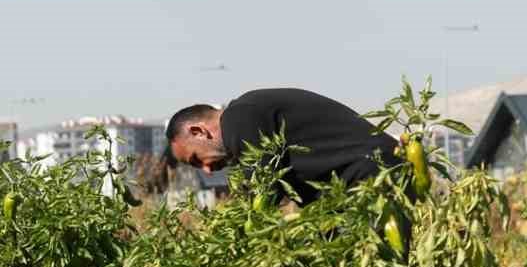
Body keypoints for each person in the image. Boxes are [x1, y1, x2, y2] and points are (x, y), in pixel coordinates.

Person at [164, 87, 401, 204]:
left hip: (373, 175)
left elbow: (263, 194)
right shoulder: (247, 115)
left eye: (196, 159)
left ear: (198, 131)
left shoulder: (238, 119)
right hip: (368, 176)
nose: (206, 170)